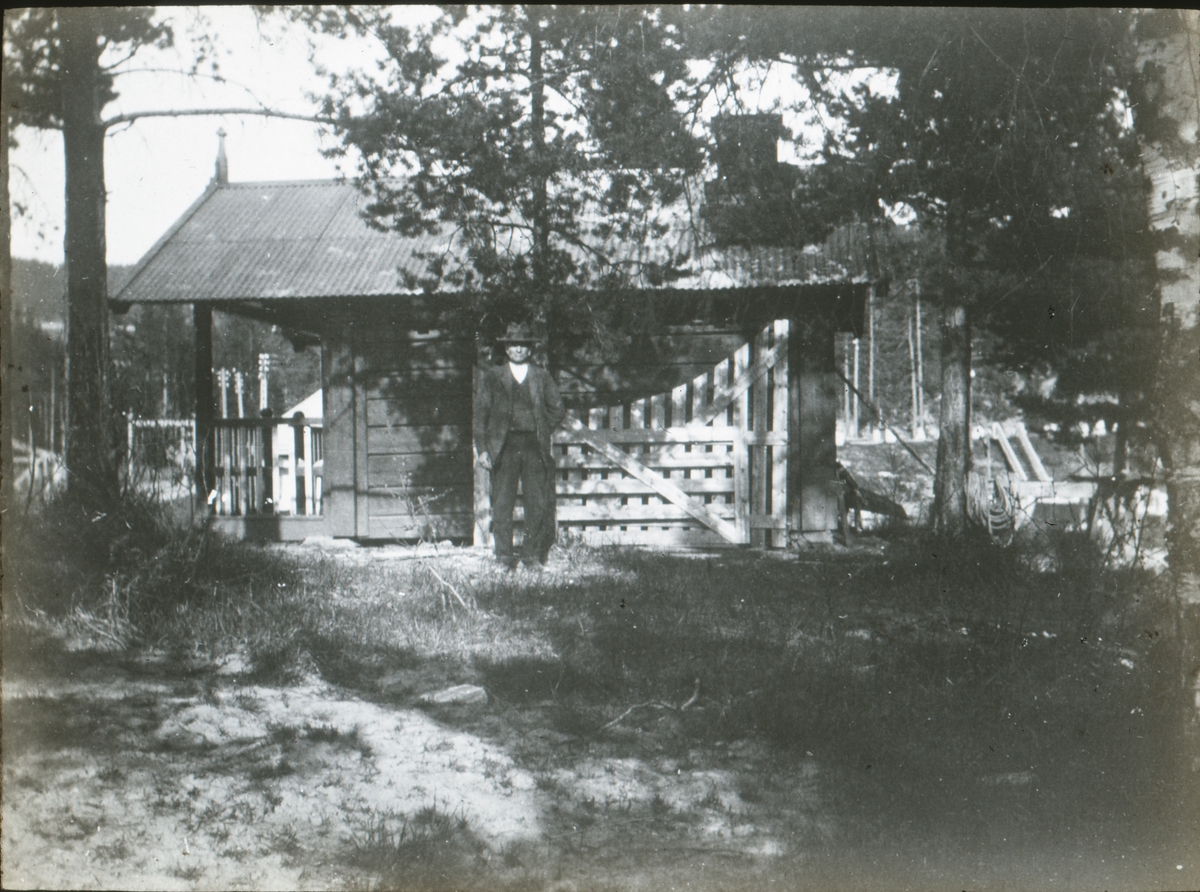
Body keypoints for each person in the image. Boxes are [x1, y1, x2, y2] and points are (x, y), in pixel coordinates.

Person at [474, 322, 566, 569]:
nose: (517, 349)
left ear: (530, 350)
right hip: (504, 446)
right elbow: (480, 414)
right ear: (506, 349)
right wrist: (483, 448)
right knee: (502, 502)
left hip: (534, 446)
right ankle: (504, 557)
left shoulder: (541, 376)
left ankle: (531, 556)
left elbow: (557, 408)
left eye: (523, 345)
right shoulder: (493, 377)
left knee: (535, 503)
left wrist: (543, 429)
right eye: (513, 345)